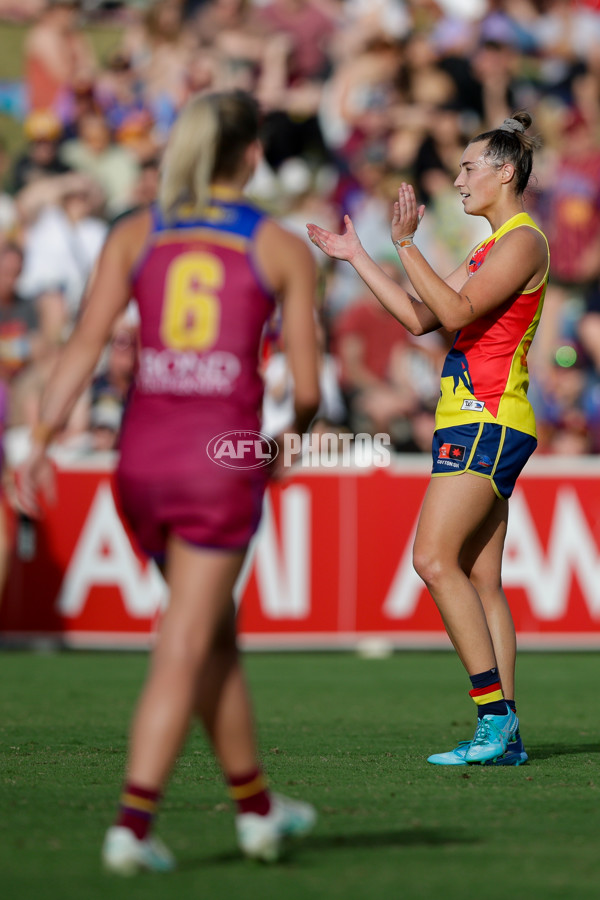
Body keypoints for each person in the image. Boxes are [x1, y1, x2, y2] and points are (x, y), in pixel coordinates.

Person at [17, 89, 321, 873]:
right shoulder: (280, 246)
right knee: (187, 641)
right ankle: (133, 824)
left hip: (140, 463)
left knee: (211, 632)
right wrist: (292, 444)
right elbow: (312, 392)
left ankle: (259, 811)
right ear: (251, 155)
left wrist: (41, 439)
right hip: (218, 462)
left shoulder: (134, 231)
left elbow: (84, 346)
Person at [308, 110, 548, 767]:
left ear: (506, 172)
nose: (460, 179)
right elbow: (423, 317)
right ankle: (508, 734)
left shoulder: (523, 241)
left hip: (485, 417)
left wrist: (408, 245)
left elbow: (457, 312)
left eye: (470, 168)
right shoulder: (493, 246)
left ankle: (492, 719)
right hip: (482, 417)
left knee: (432, 560)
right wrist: (361, 255)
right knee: (480, 578)